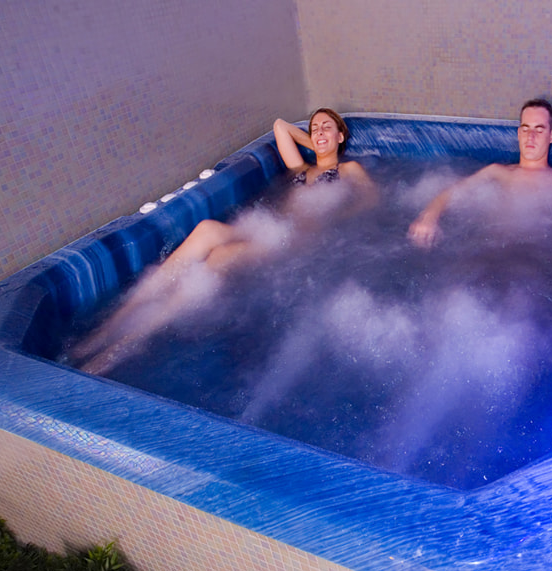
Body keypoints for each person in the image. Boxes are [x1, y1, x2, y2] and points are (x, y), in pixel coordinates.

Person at [70, 108, 373, 374]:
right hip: (269, 228)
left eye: (327, 128)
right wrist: (319, 145)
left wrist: (340, 214)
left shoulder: (348, 169)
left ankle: (132, 340)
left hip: (296, 241)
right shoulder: (301, 169)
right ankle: (112, 325)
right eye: (314, 128)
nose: (319, 132)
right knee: (205, 229)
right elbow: (280, 126)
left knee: (220, 256)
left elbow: (371, 199)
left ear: (341, 136)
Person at [407, 99, 552, 273]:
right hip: (484, 250)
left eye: (539, 129)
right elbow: (452, 193)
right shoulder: (496, 172)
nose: (530, 137)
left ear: (551, 136)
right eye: (525, 129)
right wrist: (429, 217)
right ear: (518, 133)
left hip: (533, 259)